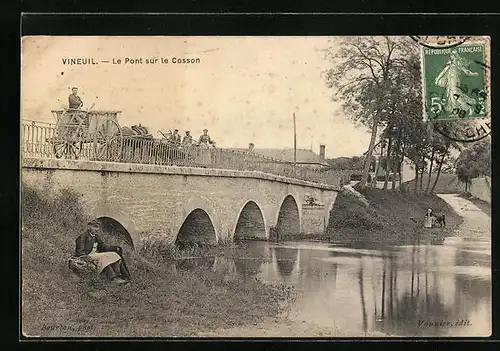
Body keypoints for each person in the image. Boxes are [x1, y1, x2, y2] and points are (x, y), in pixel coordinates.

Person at [73, 220, 130, 284]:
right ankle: (112, 278)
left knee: (114, 254)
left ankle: (120, 275)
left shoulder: (96, 237)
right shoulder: (82, 237)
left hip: (95, 255)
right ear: (89, 226)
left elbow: (103, 248)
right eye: (94, 227)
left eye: (97, 227)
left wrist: (114, 248)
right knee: (103, 257)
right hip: (87, 255)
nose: (96, 229)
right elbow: (79, 251)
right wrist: (86, 257)